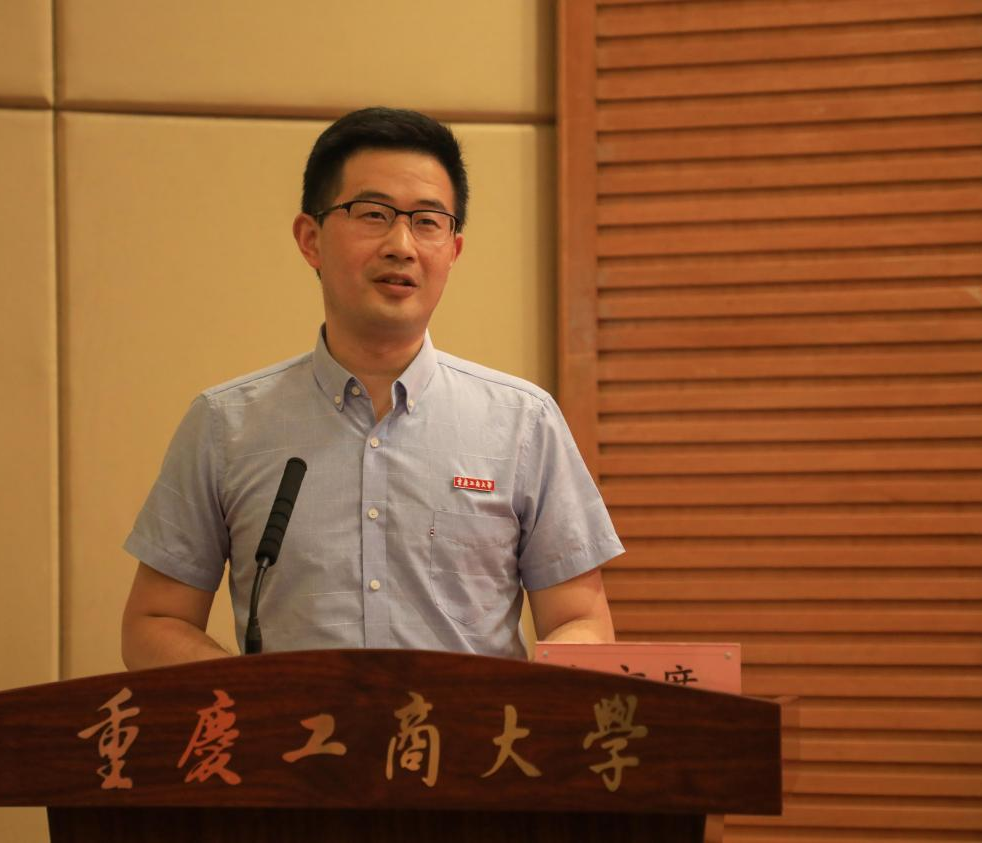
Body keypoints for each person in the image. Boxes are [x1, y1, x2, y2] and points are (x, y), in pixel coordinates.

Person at [121, 107, 622, 669]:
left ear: (453, 251)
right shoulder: (225, 425)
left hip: (468, 729)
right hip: (295, 727)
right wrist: (256, 703)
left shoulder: (524, 423)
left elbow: (581, 619)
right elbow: (155, 622)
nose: (401, 245)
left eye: (428, 221)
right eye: (373, 214)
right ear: (310, 239)